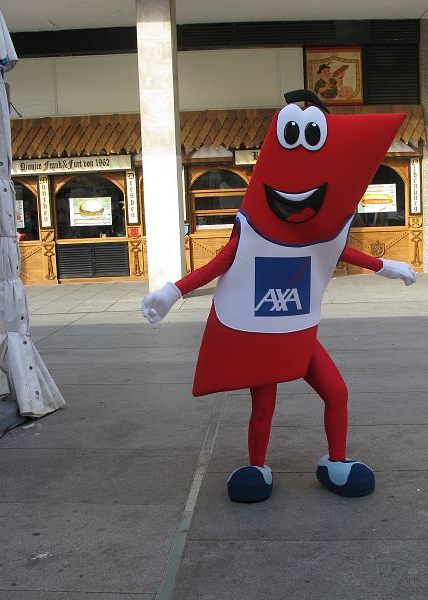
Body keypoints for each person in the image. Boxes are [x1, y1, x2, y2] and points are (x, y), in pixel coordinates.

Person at [141, 90, 413, 503]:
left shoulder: (314, 235)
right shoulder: (251, 232)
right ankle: (256, 467)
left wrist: (386, 266)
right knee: (264, 405)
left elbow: (338, 250)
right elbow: (218, 265)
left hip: (298, 333)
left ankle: (336, 462)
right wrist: (171, 292)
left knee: (336, 392)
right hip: (262, 333)